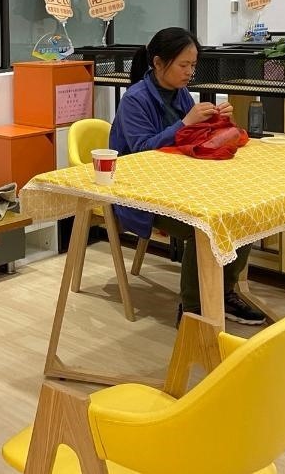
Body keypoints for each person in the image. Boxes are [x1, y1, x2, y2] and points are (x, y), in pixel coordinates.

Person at [109, 27, 265, 326]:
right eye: (183, 65)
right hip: (140, 192)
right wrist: (186, 122)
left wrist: (218, 120)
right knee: (202, 226)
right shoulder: (134, 99)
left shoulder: (179, 93)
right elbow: (141, 151)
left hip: (179, 183)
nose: (190, 72)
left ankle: (223, 293)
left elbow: (193, 139)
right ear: (158, 63)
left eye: (193, 65)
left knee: (243, 214)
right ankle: (194, 310)